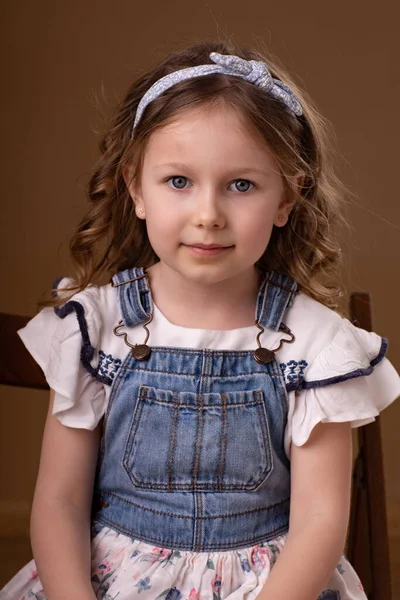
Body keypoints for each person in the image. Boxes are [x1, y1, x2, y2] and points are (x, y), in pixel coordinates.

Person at [1, 40, 399, 600]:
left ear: (287, 197)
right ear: (135, 187)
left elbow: (320, 522)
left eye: (242, 185)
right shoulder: (97, 327)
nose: (208, 215)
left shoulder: (315, 345)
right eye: (179, 181)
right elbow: (59, 502)